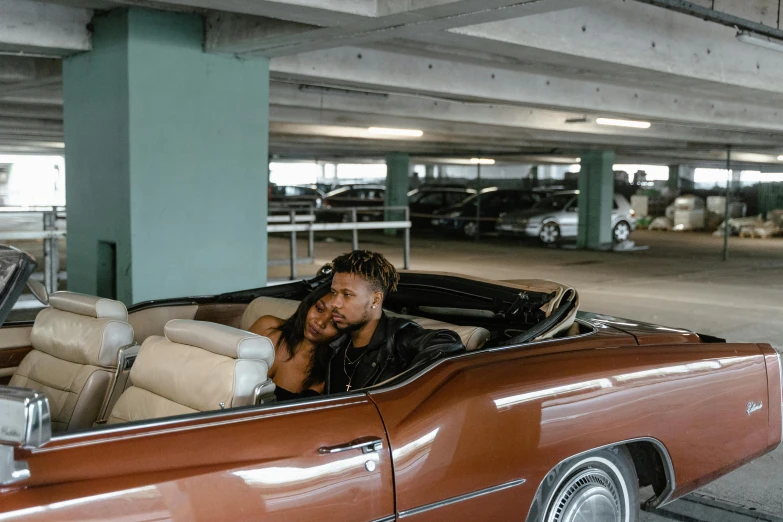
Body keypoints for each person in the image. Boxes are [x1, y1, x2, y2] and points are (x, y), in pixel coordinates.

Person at [325, 250, 465, 393]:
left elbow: (448, 342)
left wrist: (402, 386)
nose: (335, 303)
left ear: (376, 299)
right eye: (334, 292)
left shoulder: (398, 339)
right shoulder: (337, 343)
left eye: (347, 294)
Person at [248, 283, 340, 401]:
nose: (320, 322)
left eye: (334, 323)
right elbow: (227, 373)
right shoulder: (267, 328)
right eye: (319, 309)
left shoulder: (327, 372)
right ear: (309, 304)